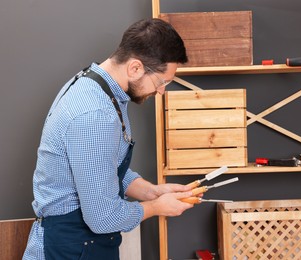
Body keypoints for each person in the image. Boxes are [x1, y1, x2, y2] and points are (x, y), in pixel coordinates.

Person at [23, 18, 195, 260]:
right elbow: (103, 218)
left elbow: (104, 168)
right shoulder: (95, 114)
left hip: (78, 242)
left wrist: (152, 192)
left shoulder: (96, 86)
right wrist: (156, 208)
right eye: (161, 82)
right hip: (70, 248)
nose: (161, 91)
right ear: (135, 68)